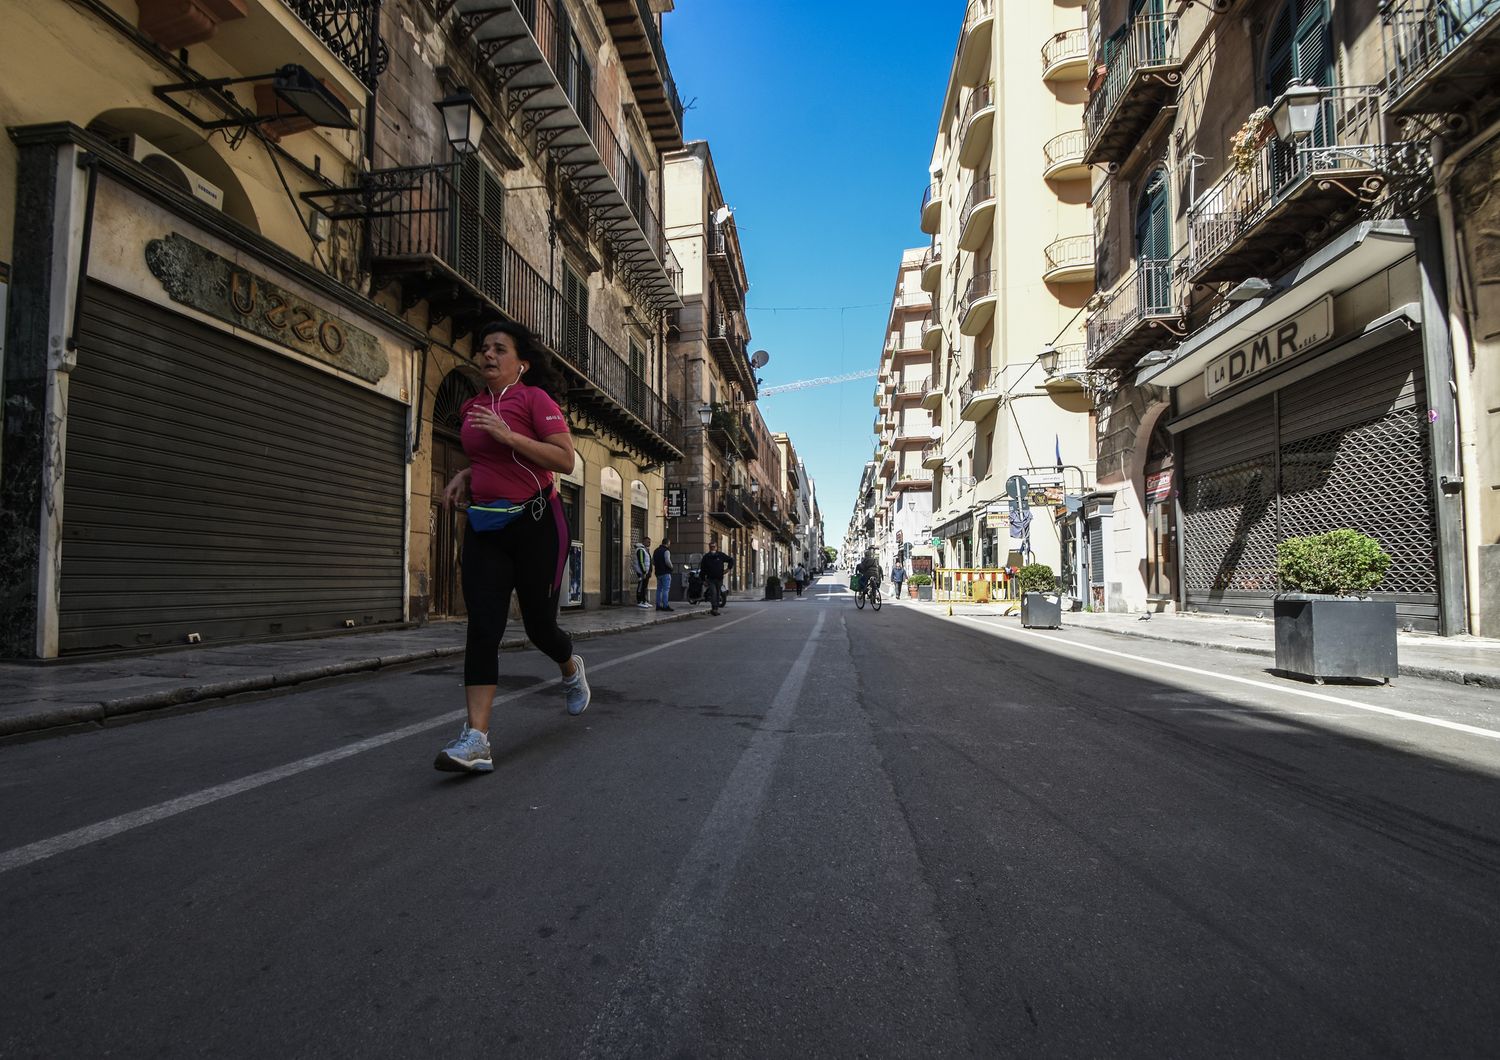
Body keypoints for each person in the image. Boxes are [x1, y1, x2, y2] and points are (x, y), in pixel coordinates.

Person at [434, 320, 588, 774]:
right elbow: (484, 456)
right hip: (486, 528)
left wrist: (508, 435)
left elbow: (564, 459)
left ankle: (570, 666)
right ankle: (476, 740)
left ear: (520, 363)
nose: (488, 354)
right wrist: (466, 475)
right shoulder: (471, 406)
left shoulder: (534, 400)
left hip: (538, 524)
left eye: (499, 348)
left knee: (540, 627)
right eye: (484, 347)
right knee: (483, 627)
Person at [699, 538, 734, 615]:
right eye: (711, 547)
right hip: (710, 579)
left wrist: (728, 569)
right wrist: (703, 580)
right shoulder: (706, 557)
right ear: (709, 547)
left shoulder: (721, 555)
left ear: (716, 547)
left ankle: (716, 609)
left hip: (719, 578)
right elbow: (703, 569)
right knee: (713, 593)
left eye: (714, 546)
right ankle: (714, 608)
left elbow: (731, 560)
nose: (712, 548)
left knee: (718, 593)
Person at [653, 535, 675, 611]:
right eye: (669, 543)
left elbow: (653, 562)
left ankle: (658, 605)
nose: (669, 545)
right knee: (666, 589)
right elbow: (667, 561)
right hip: (665, 572)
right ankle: (665, 605)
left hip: (658, 573)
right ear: (667, 543)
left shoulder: (656, 550)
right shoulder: (666, 551)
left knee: (659, 589)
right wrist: (672, 567)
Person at [633, 535, 653, 609]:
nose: (649, 543)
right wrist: (644, 572)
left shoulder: (645, 550)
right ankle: (639, 601)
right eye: (648, 542)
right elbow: (641, 562)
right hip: (642, 572)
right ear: (643, 542)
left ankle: (644, 601)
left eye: (650, 542)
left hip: (646, 572)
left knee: (644, 587)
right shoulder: (640, 550)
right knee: (641, 587)